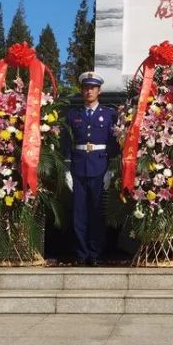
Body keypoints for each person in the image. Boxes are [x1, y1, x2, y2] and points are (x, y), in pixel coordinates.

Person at [62, 71, 119, 266]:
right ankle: (81, 253)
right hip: (78, 167)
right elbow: (66, 142)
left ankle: (95, 253)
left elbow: (114, 142)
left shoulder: (109, 114)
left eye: (92, 88)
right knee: (79, 213)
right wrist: (67, 169)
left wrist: (111, 168)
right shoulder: (73, 115)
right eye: (86, 88)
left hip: (100, 166)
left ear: (99, 91)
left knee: (96, 211)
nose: (89, 91)